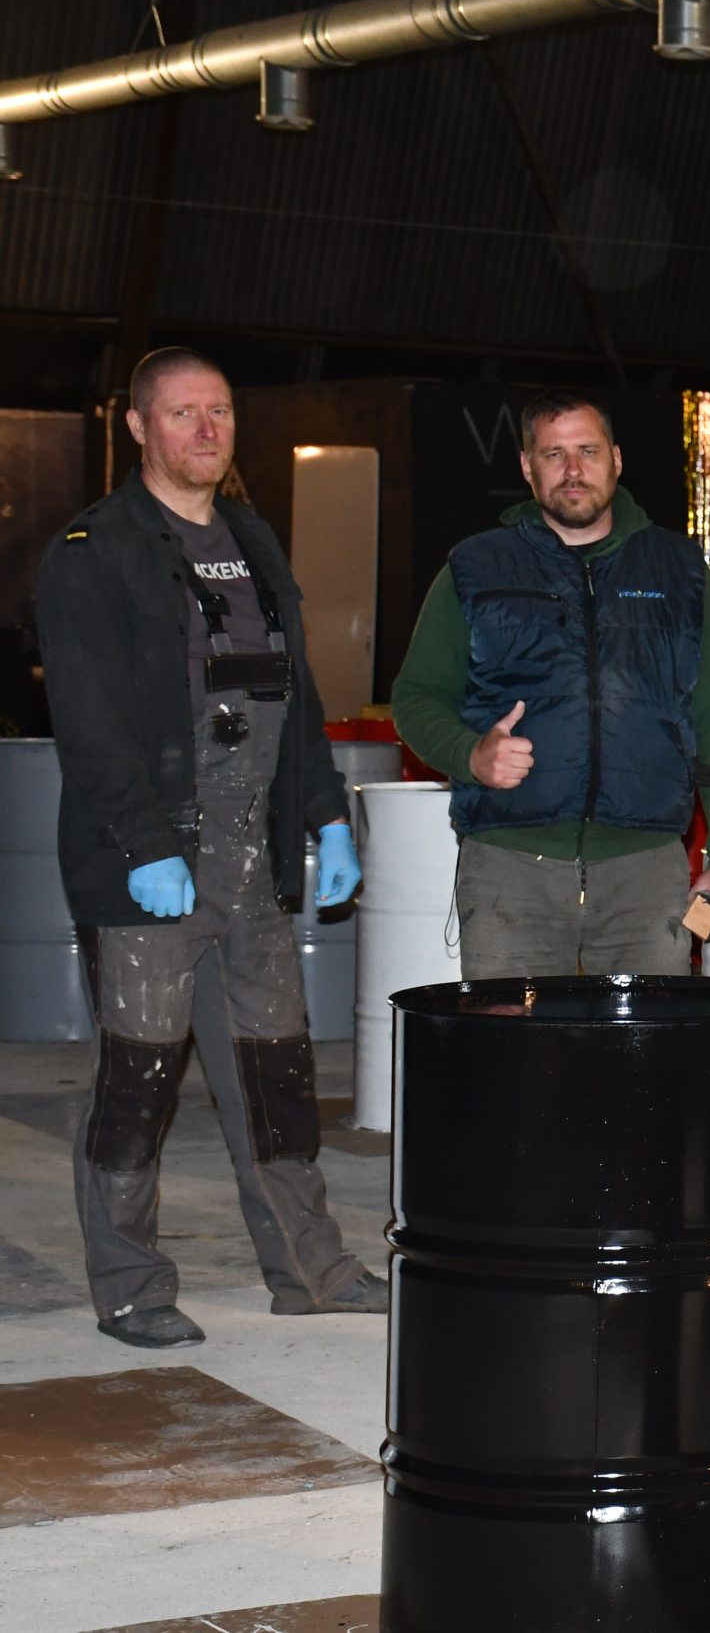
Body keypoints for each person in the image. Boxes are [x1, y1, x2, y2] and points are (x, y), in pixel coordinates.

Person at [36, 347, 383, 1349]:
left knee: (275, 1077)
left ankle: (311, 1271)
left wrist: (326, 817)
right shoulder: (91, 550)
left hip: (251, 862)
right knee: (137, 1080)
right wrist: (145, 845)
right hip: (150, 863)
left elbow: (297, 697)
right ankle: (131, 1287)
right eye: (183, 412)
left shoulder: (252, 539)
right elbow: (90, 725)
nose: (206, 430)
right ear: (139, 426)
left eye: (220, 411)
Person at [391, 390, 710, 976]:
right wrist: (470, 754)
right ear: (527, 467)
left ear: (616, 459)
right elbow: (415, 697)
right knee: (512, 1035)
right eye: (553, 455)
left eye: (588, 451)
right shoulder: (475, 567)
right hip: (509, 871)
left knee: (648, 1035)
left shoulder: (679, 570)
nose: (574, 470)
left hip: (647, 875)